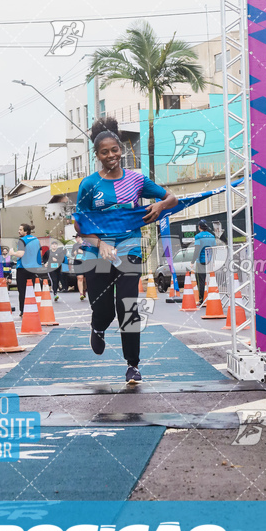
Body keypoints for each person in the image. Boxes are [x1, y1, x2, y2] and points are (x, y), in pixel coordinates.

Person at [75, 118, 177, 384]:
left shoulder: (136, 179)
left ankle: (133, 365)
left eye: (115, 150)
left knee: (128, 306)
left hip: (130, 247)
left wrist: (160, 206)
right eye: (104, 152)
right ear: (96, 155)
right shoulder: (89, 185)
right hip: (96, 252)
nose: (111, 156)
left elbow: (172, 197)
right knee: (105, 310)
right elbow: (80, 225)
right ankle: (98, 327)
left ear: (122, 149)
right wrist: (101, 243)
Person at [9, 223, 42, 316]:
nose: (18, 231)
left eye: (20, 230)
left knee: (22, 290)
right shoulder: (36, 240)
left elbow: (20, 254)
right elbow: (39, 252)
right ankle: (31, 308)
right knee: (31, 290)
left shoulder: (22, 240)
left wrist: (12, 253)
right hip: (34, 267)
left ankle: (23, 310)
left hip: (23, 268)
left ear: (25, 231)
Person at [192, 219, 217, 304]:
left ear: (199, 227)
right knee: (211, 280)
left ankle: (201, 299)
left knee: (201, 280)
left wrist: (192, 261)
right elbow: (214, 249)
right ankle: (213, 298)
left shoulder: (198, 236)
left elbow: (197, 249)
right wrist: (213, 260)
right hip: (209, 260)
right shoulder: (212, 236)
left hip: (201, 261)